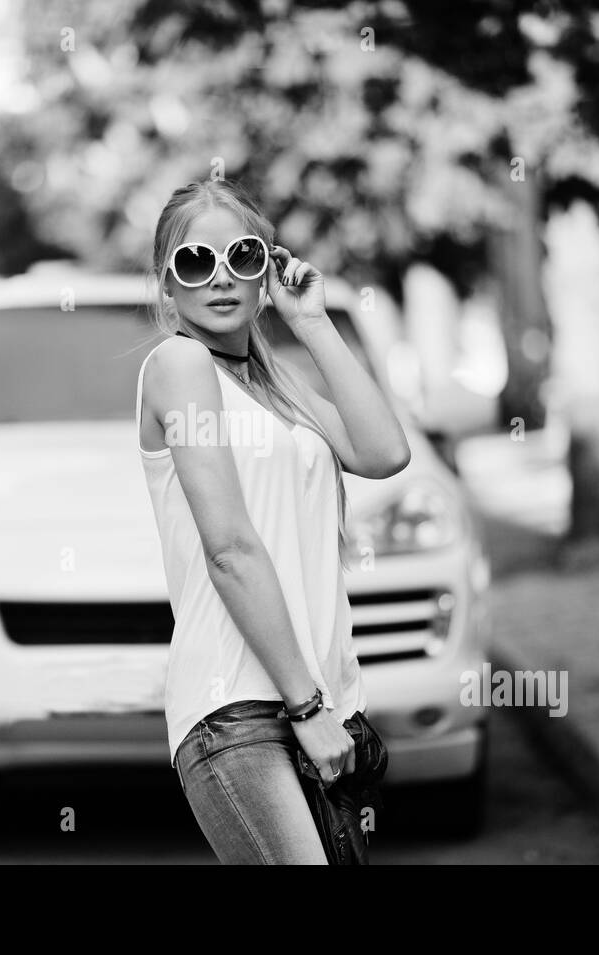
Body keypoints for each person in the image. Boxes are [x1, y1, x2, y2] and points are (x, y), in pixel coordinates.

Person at [135, 178, 411, 863]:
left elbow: (384, 452)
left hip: (309, 702)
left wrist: (311, 321)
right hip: (240, 707)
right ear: (168, 287)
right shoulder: (179, 364)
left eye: (243, 256)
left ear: (267, 269)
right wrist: (306, 707)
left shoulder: (275, 385)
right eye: (195, 262)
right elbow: (229, 548)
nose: (221, 277)